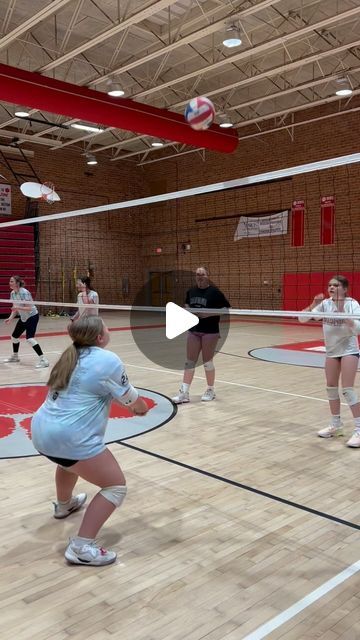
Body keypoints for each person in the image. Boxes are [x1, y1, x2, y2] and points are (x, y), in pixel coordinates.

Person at [31, 315, 148, 566]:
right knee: (115, 486)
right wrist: (141, 407)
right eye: (107, 326)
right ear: (99, 337)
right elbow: (130, 399)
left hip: (41, 431)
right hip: (70, 437)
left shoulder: (69, 355)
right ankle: (82, 547)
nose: (109, 328)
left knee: (67, 463)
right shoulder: (107, 359)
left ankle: (64, 506)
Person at [299, 275, 360, 447]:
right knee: (331, 388)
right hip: (332, 352)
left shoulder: (352, 303)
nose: (331, 288)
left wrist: (342, 313)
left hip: (349, 350)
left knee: (347, 390)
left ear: (345, 289)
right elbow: (302, 318)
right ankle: (336, 425)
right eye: (330, 285)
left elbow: (358, 329)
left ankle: (359, 429)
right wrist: (313, 304)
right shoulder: (325, 304)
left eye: (336, 285)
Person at [172, 266, 230, 404]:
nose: (199, 276)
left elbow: (226, 309)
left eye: (202, 274)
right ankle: (184, 393)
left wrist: (207, 314)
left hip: (210, 331)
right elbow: (187, 304)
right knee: (189, 362)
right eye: (197, 274)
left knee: (207, 362)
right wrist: (189, 311)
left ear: (207, 275)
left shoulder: (215, 292)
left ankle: (210, 390)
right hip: (194, 330)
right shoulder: (191, 291)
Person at [4, 275, 49, 368]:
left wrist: (18, 307)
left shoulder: (24, 292)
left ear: (17, 283)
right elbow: (15, 309)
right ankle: (15, 357)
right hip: (23, 317)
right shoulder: (12, 293)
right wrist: (10, 318)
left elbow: (29, 308)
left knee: (30, 339)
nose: (10, 283)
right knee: (14, 337)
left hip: (32, 316)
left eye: (12, 281)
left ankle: (43, 360)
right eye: (10, 281)